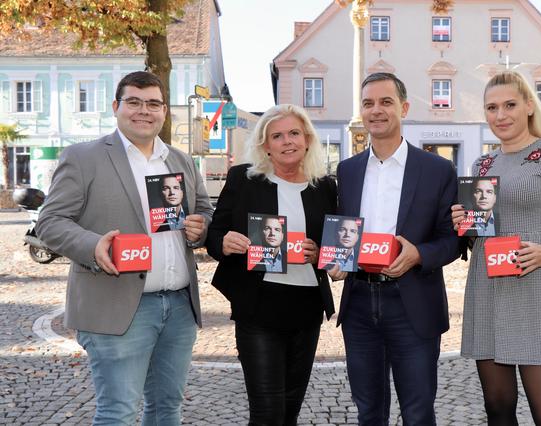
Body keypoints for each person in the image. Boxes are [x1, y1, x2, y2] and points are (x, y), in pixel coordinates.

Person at [35, 71, 214, 425]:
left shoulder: (179, 161)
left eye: (152, 103)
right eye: (133, 102)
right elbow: (50, 222)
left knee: (167, 409)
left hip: (178, 306)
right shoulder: (84, 157)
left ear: (164, 111)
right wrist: (92, 245)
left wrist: (201, 227)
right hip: (116, 306)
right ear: (116, 107)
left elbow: (204, 211)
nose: (143, 111)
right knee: (118, 412)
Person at [452, 71, 541, 425]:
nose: (501, 115)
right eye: (492, 107)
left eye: (510, 105)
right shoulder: (481, 165)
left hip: (534, 291)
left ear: (529, 106)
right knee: (497, 409)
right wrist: (463, 226)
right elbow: (478, 236)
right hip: (487, 292)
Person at [331, 72, 459, 425]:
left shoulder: (437, 169)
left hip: (413, 304)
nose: (377, 110)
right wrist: (337, 262)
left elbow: (453, 238)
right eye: (368, 103)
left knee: (417, 412)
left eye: (386, 102)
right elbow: (343, 233)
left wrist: (419, 254)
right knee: (368, 411)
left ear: (403, 107)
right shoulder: (347, 170)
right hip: (359, 303)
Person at [206, 104, 337, 425]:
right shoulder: (245, 179)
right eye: (277, 136)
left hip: (306, 309)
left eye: (294, 133)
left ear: (307, 139)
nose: (287, 141)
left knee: (290, 411)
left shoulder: (326, 188)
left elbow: (335, 253)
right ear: (266, 145)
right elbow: (215, 234)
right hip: (258, 307)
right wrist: (222, 242)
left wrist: (320, 253)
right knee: (267, 413)